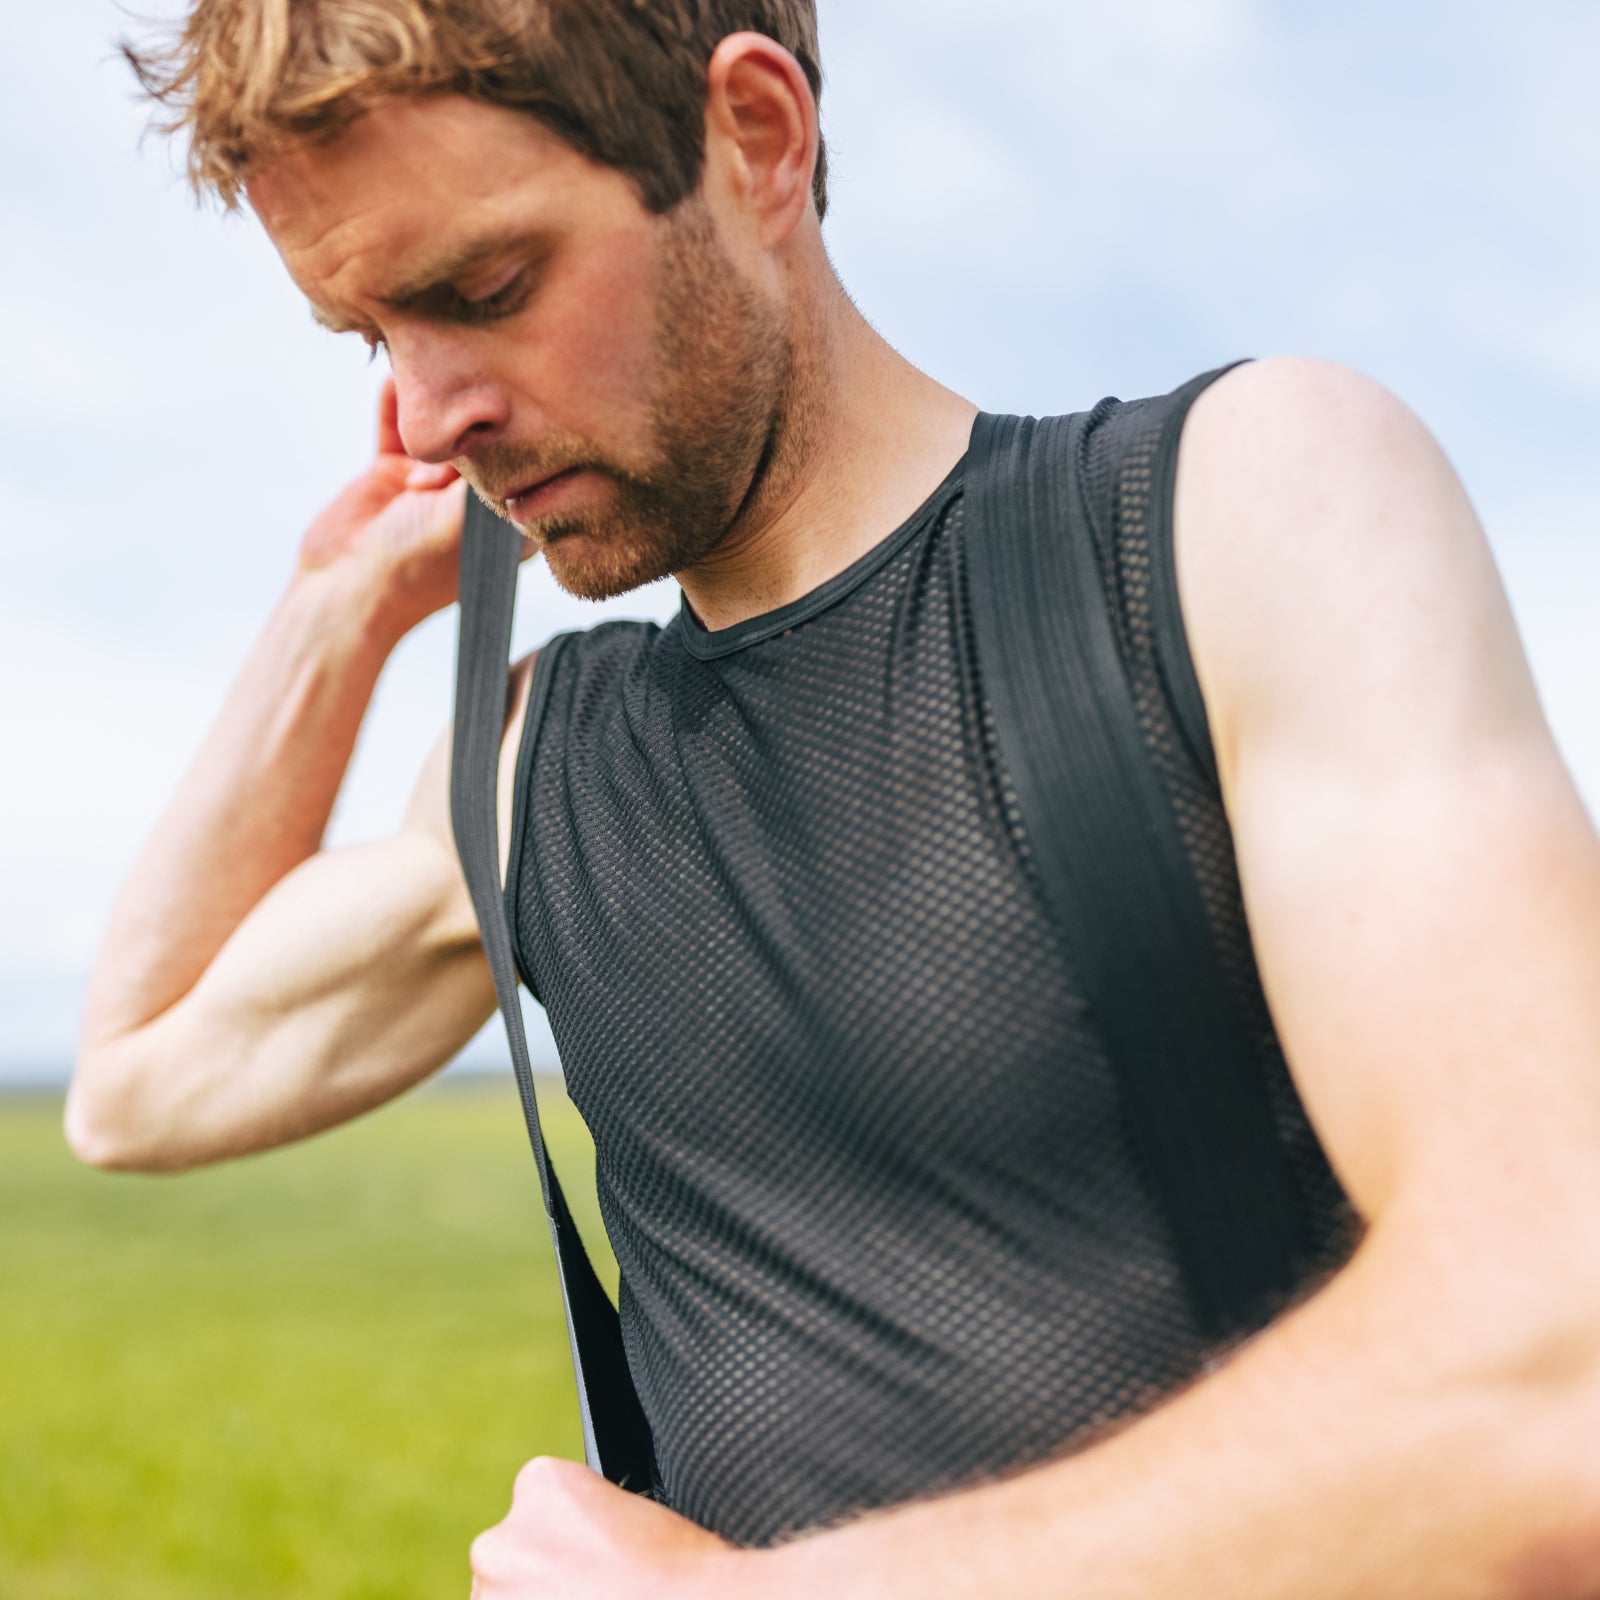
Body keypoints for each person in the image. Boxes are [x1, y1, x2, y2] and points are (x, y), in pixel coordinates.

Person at [67, 1, 1600, 1595]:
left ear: (755, 138)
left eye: (484, 290)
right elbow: (130, 1081)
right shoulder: (538, 772)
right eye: (373, 335)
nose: (432, 410)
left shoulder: (1227, 523)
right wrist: (339, 603)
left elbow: (1560, 1376)